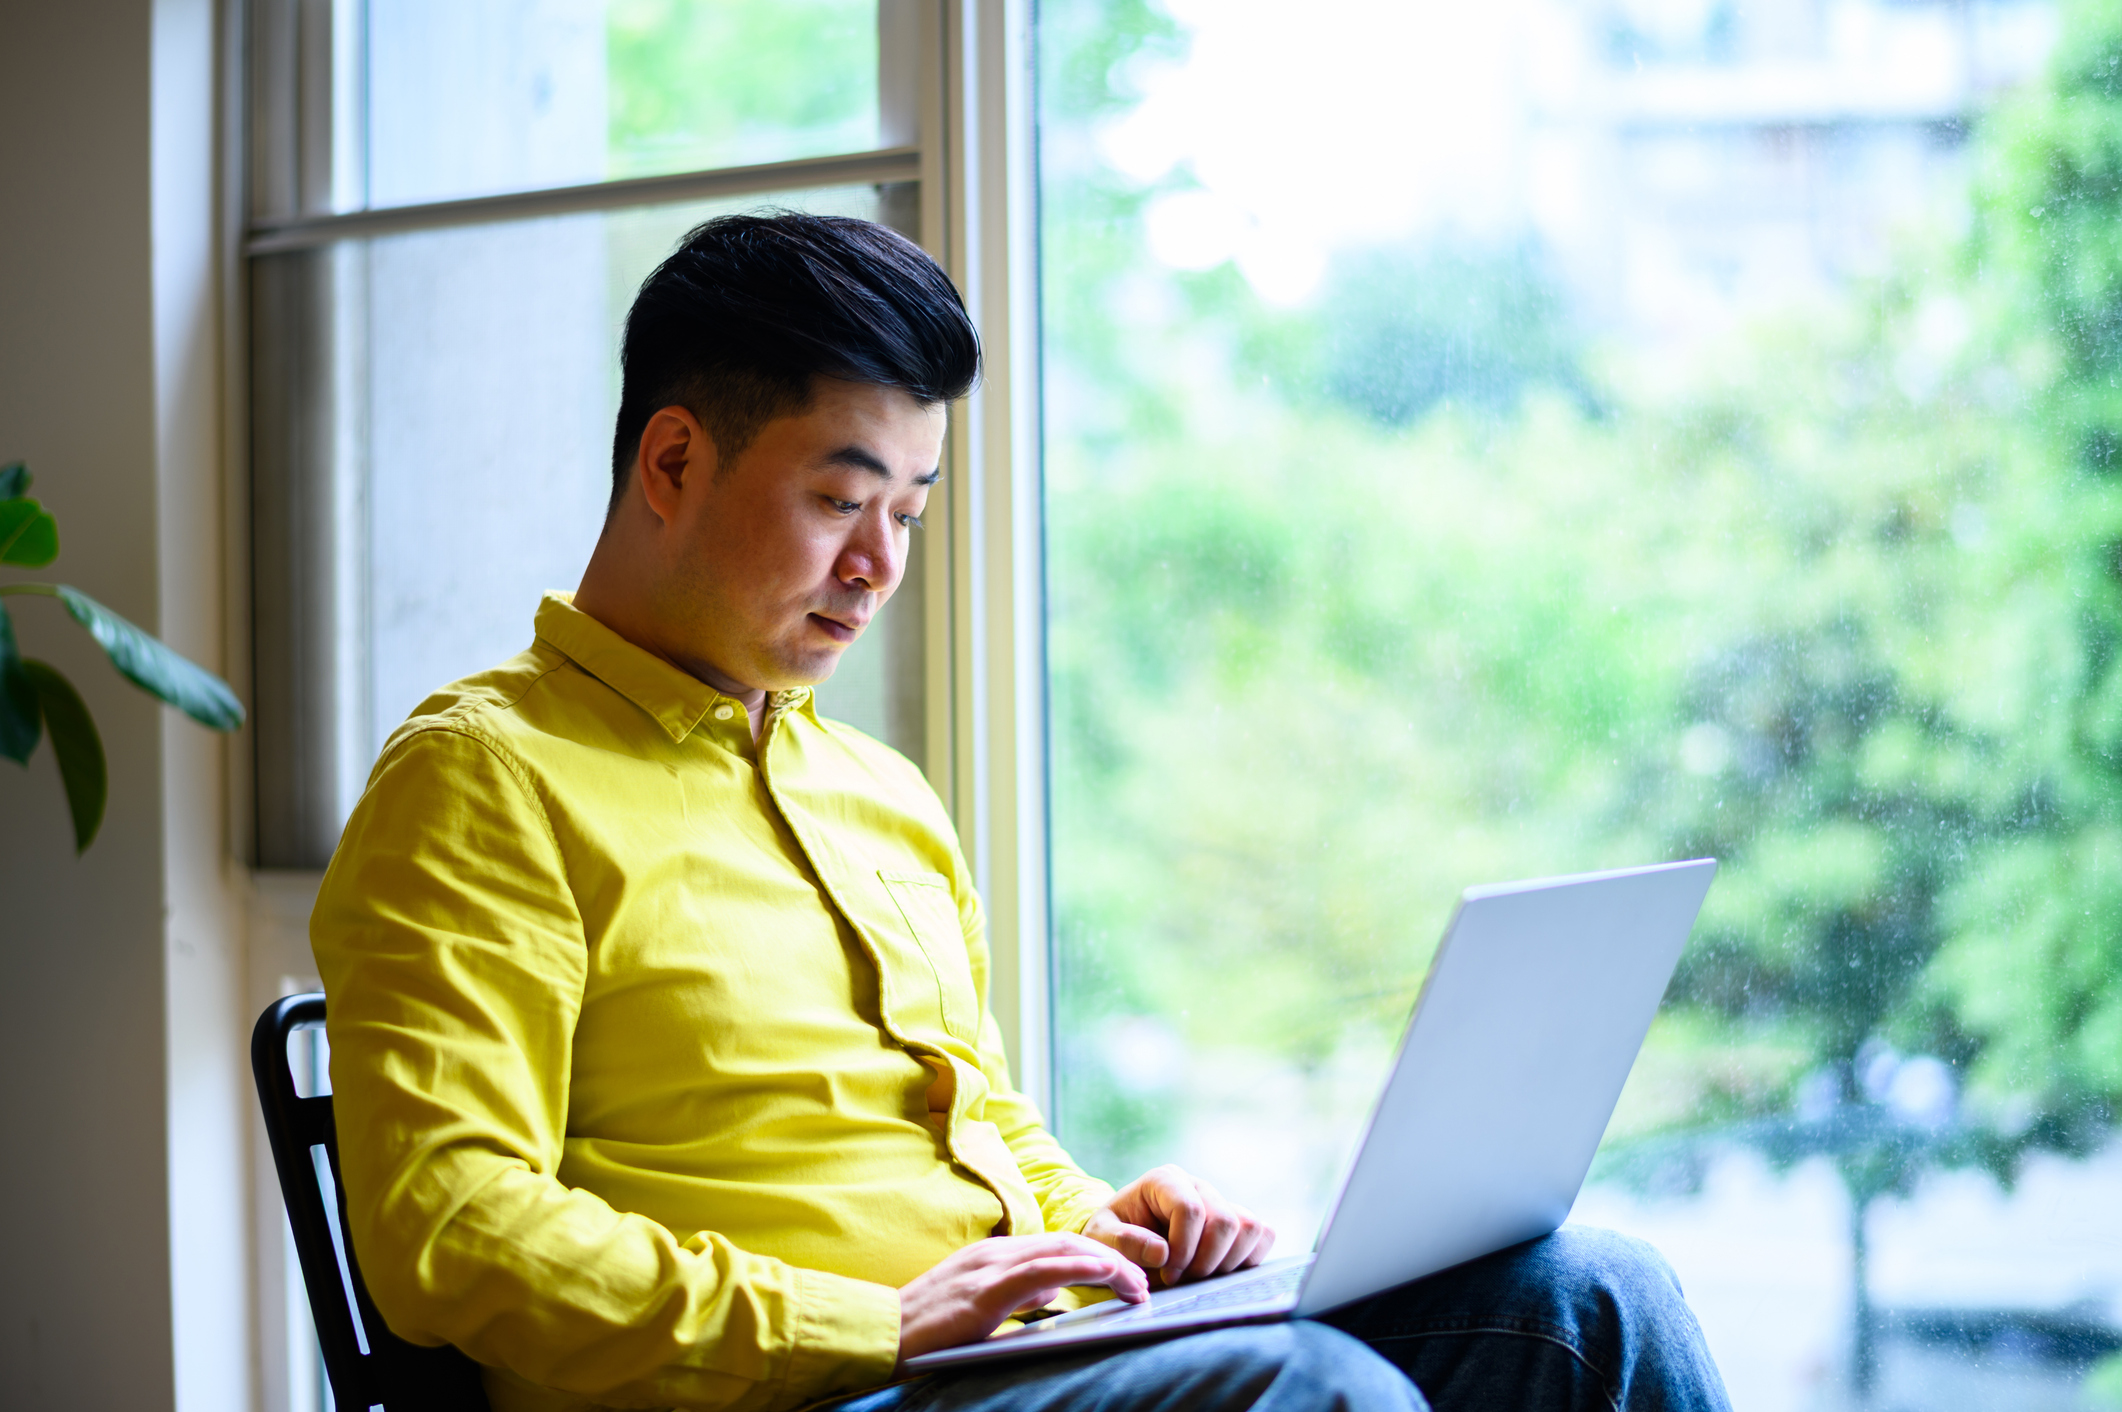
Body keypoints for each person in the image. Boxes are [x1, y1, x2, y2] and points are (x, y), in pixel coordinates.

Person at [311, 212, 1732, 1412]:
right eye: (839, 499)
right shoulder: (483, 778)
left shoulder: (876, 796)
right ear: (672, 463)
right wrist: (876, 1321)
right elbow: (451, 1228)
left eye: (911, 514)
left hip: (1005, 1362)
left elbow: (979, 1132)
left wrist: (1106, 1227)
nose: (877, 566)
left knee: (1589, 1298)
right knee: (1314, 1393)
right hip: (819, 1388)